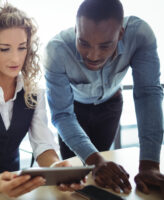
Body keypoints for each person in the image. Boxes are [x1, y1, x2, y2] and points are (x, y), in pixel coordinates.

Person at [0, 4, 82, 198]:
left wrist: (56, 169)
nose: (15, 58)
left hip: (13, 187)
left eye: (22, 48)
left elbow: (43, 145)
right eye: (5, 49)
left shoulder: (34, 93)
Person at [44, 0, 164, 196]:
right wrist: (95, 160)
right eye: (83, 43)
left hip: (110, 106)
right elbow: (62, 115)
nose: (92, 55)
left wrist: (149, 164)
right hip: (73, 111)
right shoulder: (56, 51)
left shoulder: (140, 35)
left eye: (105, 46)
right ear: (76, 30)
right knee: (75, 180)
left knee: (101, 177)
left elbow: (148, 94)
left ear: (121, 35)